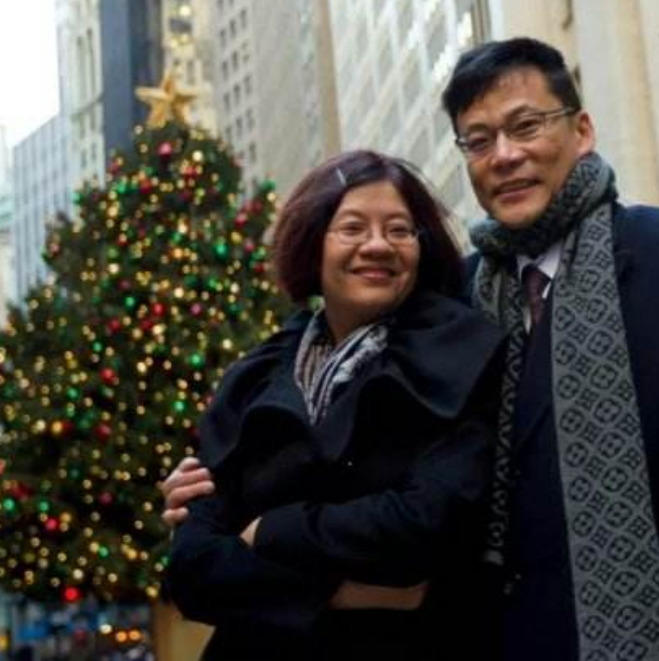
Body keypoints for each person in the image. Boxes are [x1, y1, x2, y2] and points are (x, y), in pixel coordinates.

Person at [163, 38, 659, 661]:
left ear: (581, 131)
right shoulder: (449, 296)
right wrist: (214, 491)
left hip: (657, 634)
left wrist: (643, 600)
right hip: (483, 640)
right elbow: (348, 440)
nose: (505, 155)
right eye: (479, 139)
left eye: (526, 126)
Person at [164, 150, 505, 660]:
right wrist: (341, 593)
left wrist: (270, 530)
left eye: (399, 230)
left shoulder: (461, 353)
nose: (378, 245)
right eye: (352, 228)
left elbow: (426, 523)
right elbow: (193, 569)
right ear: (312, 243)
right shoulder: (253, 376)